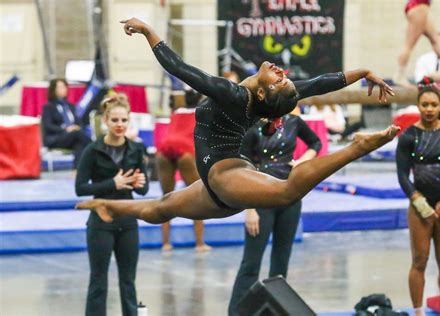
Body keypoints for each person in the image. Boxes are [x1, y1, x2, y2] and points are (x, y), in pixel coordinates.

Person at [76, 17, 399, 228]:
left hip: (227, 175)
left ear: (263, 92)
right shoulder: (260, 98)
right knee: (161, 210)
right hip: (216, 190)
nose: (280, 72)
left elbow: (181, 69)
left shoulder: (232, 95)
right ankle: (107, 204)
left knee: (287, 193)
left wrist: (148, 31)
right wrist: (361, 73)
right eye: (283, 77)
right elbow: (318, 84)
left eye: (278, 79)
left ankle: (356, 149)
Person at [228, 108, 322, 315]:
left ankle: (275, 310)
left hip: (289, 197)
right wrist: (249, 208)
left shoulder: (294, 122)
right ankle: (236, 312)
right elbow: (242, 168)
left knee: (281, 260)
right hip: (261, 196)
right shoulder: (253, 126)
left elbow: (316, 142)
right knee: (251, 262)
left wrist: (302, 161)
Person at [396, 77, 440, 316]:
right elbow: (402, 174)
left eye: (433, 105)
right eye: (424, 105)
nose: (429, 109)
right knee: (419, 261)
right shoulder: (408, 136)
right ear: (418, 105)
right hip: (420, 207)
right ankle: (418, 312)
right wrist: (418, 201)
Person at [75, 94, 149, 316]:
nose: (120, 125)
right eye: (115, 120)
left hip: (127, 221)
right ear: (105, 120)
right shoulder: (92, 150)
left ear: (129, 121)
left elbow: (143, 189)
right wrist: (113, 183)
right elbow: (80, 188)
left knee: (128, 281)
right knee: (98, 280)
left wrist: (138, 183)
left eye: (124, 120)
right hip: (101, 222)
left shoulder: (136, 149)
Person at [158, 86, 211, 252]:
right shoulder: (201, 113)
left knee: (166, 197)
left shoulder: (176, 111)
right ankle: (200, 243)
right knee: (198, 196)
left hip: (165, 147)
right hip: (185, 150)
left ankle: (165, 243)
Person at [394, 0, 440, 87]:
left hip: (420, 7)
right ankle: (399, 75)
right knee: (409, 45)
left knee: (435, 40)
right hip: (418, 7)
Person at [41, 78, 91, 168]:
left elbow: (79, 122)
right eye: (59, 87)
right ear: (53, 90)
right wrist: (66, 129)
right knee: (77, 135)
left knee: (79, 143)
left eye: (64, 87)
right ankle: (96, 149)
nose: (62, 89)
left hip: (73, 136)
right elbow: (48, 126)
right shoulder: (48, 107)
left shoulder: (70, 106)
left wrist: (77, 127)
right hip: (55, 138)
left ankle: (77, 170)